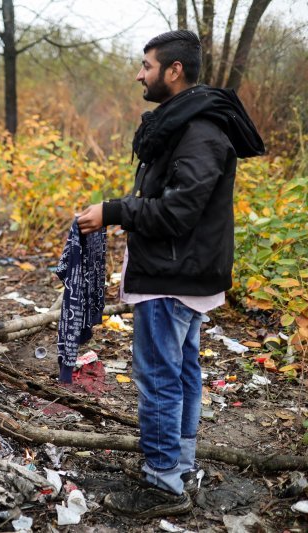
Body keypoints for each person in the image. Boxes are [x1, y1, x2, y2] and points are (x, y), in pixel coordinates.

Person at [77, 30, 264, 518]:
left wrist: (115, 211)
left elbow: (180, 212)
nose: (140, 74)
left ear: (173, 70)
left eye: (146, 65)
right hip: (181, 271)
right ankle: (177, 465)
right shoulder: (184, 123)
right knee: (181, 372)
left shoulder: (201, 131)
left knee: (160, 376)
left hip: (174, 274)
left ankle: (162, 482)